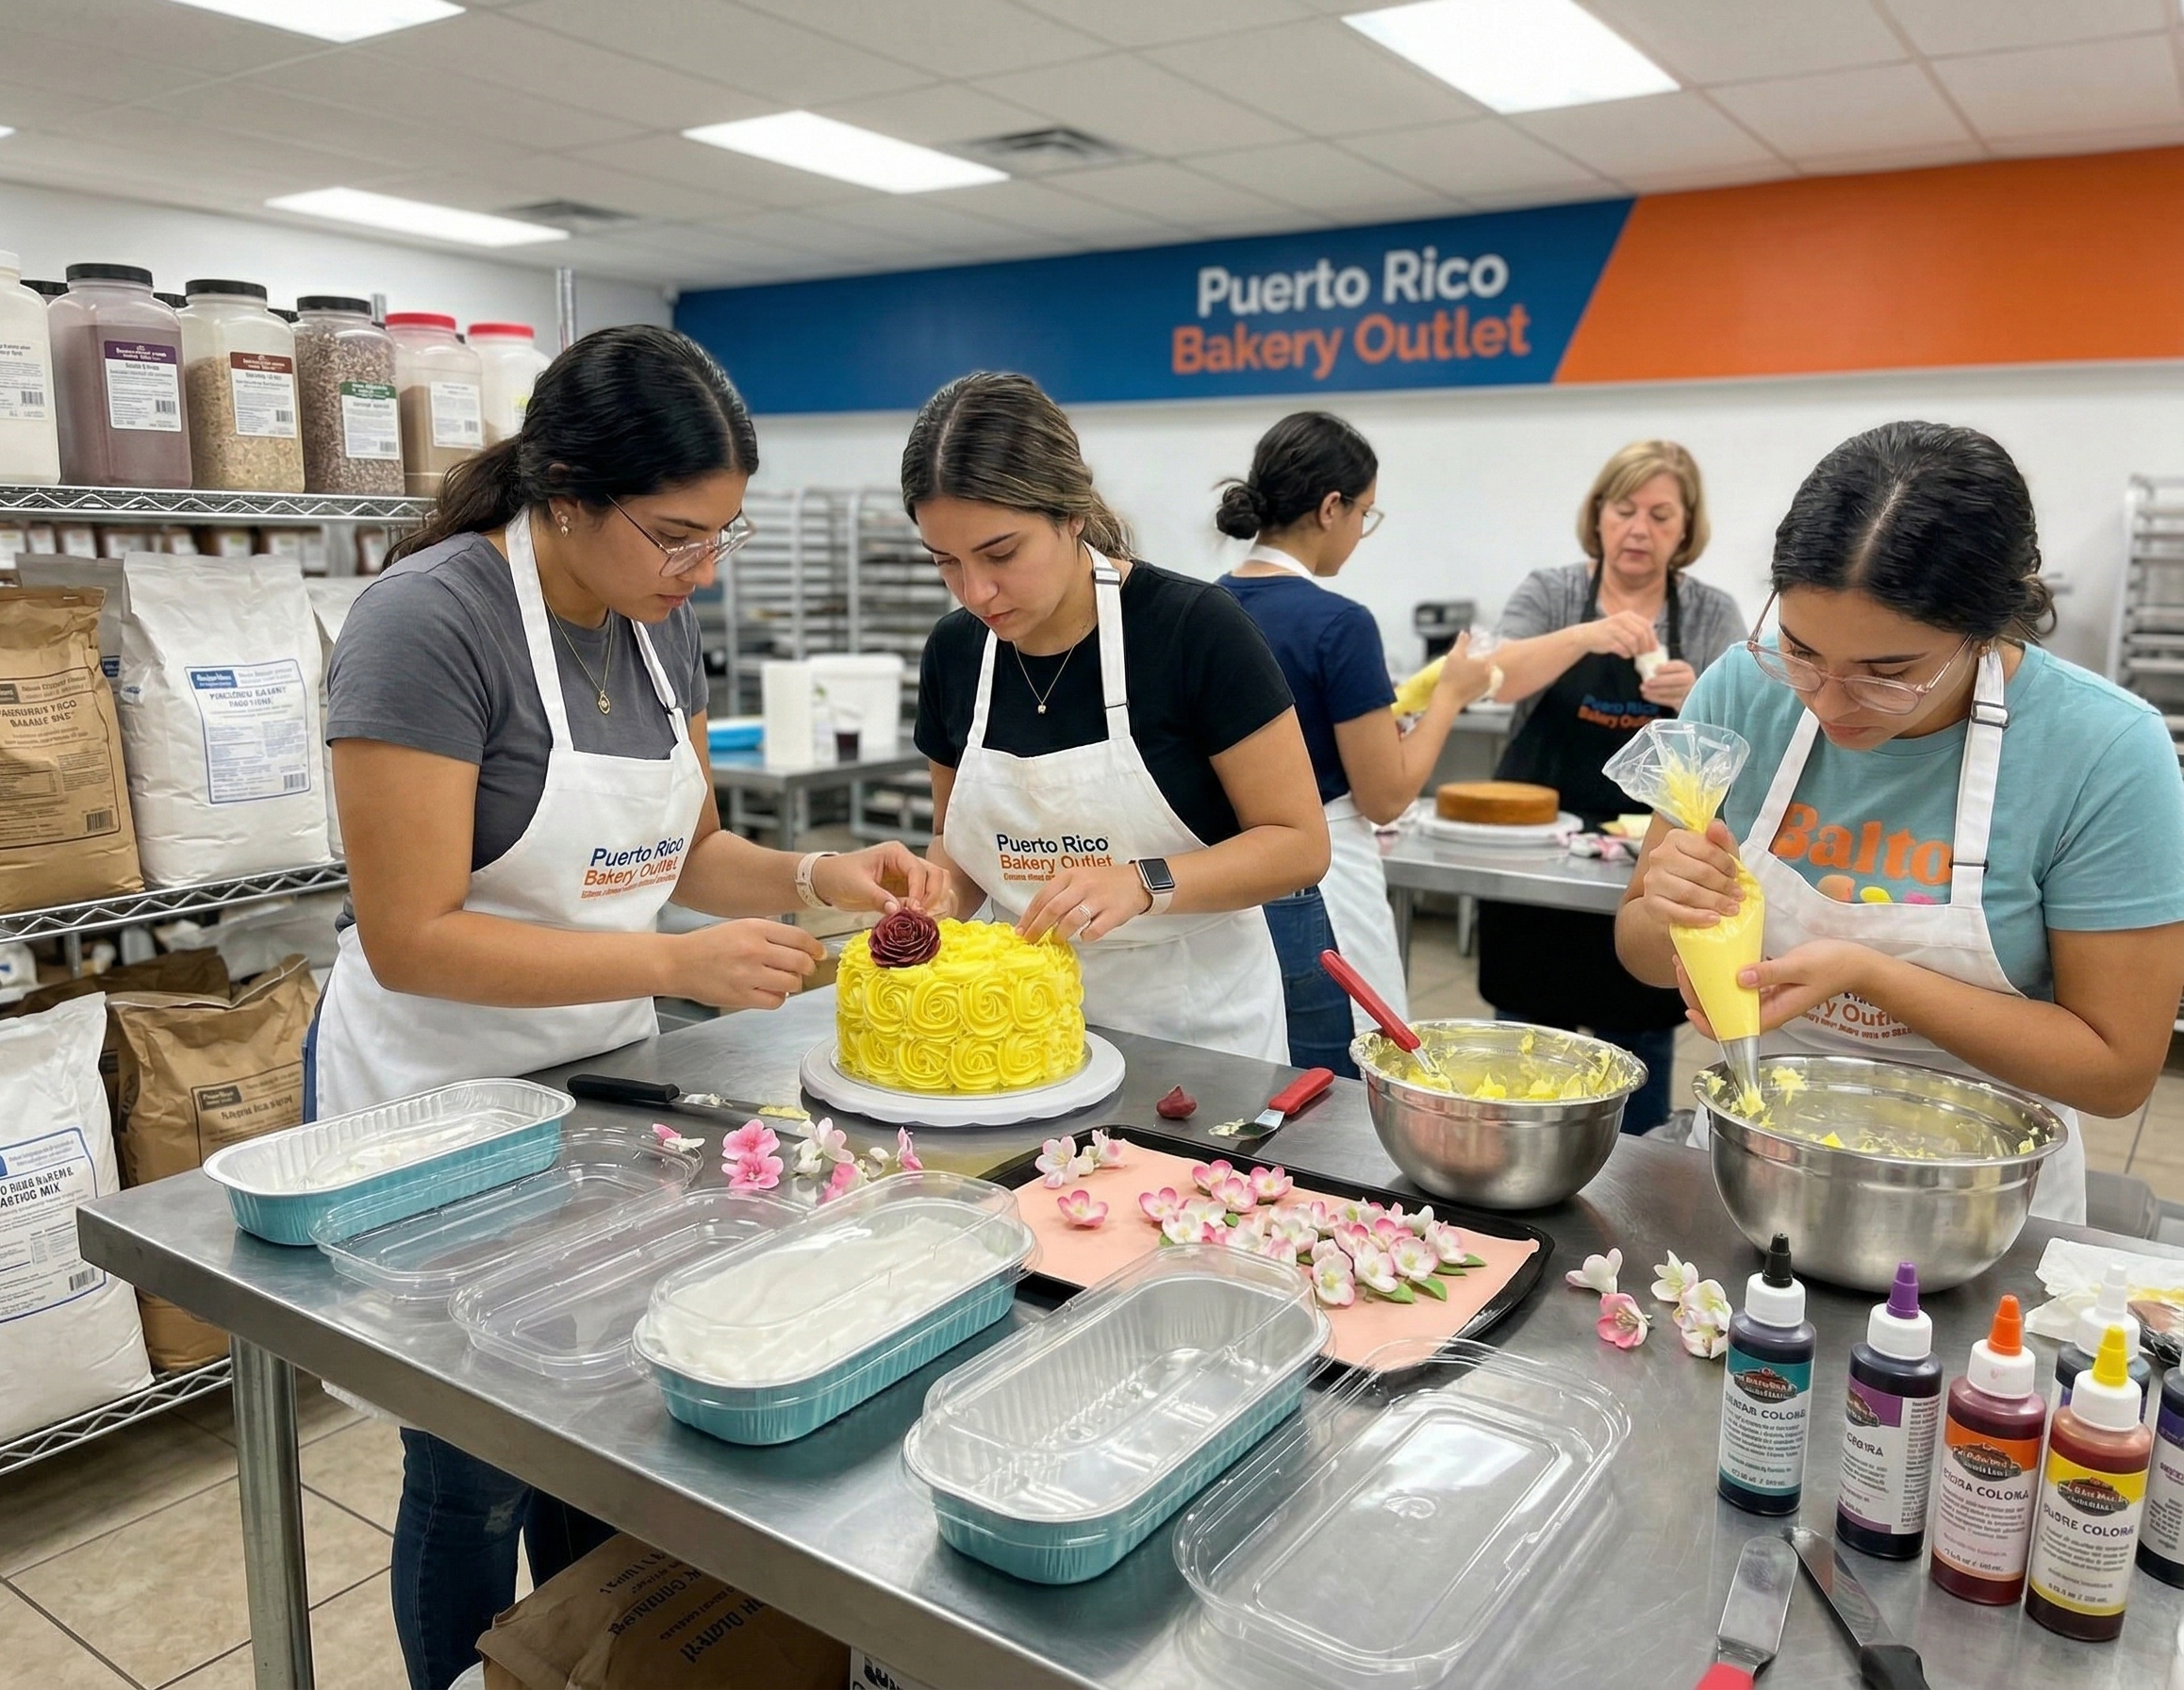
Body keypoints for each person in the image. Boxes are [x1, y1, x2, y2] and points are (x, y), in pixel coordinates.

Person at [313, 325, 945, 1690]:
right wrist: (675, 968)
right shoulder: (430, 623)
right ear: (565, 495)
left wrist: (813, 872)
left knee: (597, 1423)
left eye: (721, 536)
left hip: (596, 1092)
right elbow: (411, 936)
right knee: (474, 1460)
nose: (700, 569)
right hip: (435, 1103)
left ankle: (583, 1665)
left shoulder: (662, 631)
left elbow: (685, 854)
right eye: (676, 536)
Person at [1618, 421, 2184, 1223]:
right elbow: (1639, 950)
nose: (1828, 698)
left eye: (1890, 674)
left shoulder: (2102, 751)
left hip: (1980, 1205)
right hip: (1758, 1169)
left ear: (1991, 626)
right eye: (1802, 649)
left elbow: (2117, 1071)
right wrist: (1669, 912)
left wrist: (1871, 972)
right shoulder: (1742, 695)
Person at [907, 372, 1330, 1063]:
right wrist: (932, 901)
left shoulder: (1192, 630)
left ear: (1071, 514)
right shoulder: (955, 653)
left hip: (1194, 1037)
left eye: (1001, 553)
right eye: (945, 562)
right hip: (1017, 1035)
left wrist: (1143, 882)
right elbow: (957, 844)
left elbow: (1299, 845)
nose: (975, 590)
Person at [1477, 440, 1746, 1134]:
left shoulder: (1710, 613)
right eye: (1624, 510)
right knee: (1524, 1054)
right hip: (1537, 854)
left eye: (1660, 515)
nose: (1639, 529)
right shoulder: (1555, 592)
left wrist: (1700, 695)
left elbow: (1747, 728)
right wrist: (1583, 638)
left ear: (1685, 530)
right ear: (1597, 516)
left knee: (1638, 1055)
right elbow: (1493, 676)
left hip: (1654, 863)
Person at [1216, 412, 1494, 1073]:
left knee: (1246, 1079)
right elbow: (1386, 793)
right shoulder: (1337, 624)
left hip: (1223, 881)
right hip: (1318, 888)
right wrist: (1451, 694)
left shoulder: (1205, 606)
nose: (1360, 535)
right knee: (1332, 1087)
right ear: (1330, 507)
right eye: (1364, 515)